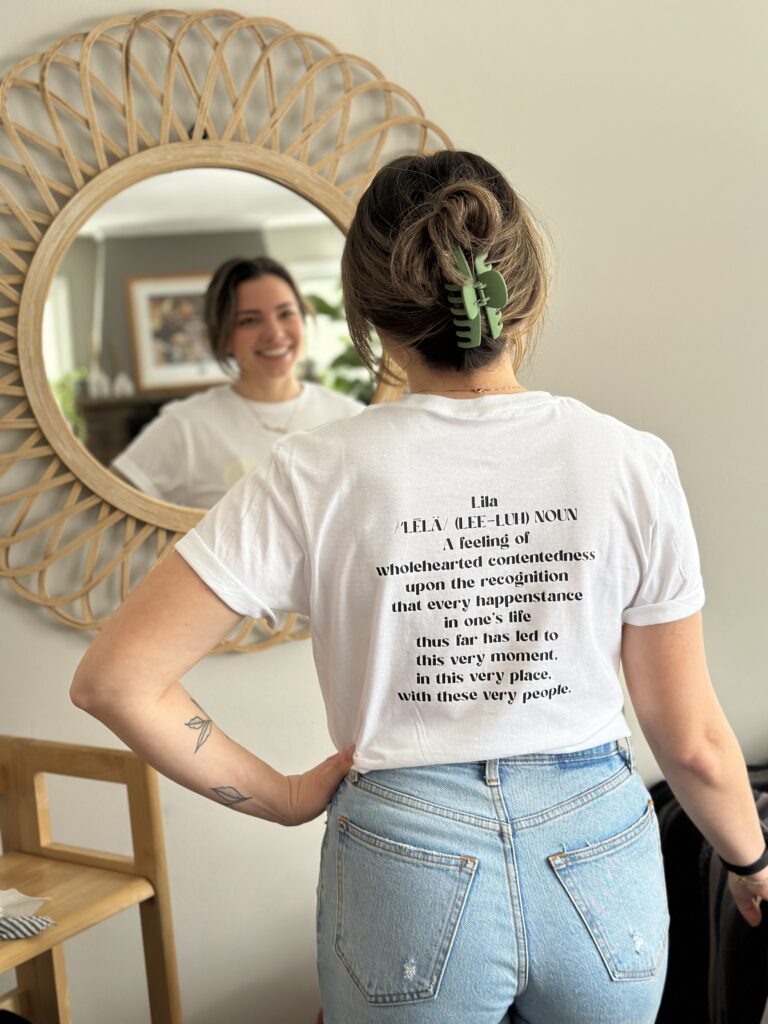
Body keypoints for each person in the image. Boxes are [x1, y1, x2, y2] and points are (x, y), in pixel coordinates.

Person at [71, 151, 766, 1024]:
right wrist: (749, 862)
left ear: (366, 317)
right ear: (526, 291)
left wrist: (285, 796)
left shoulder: (318, 468)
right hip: (598, 850)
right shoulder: (628, 460)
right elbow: (693, 740)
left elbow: (115, 680)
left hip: (403, 850)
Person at [112, 256, 363, 508]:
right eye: (250, 320)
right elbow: (103, 513)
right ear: (224, 336)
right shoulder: (186, 426)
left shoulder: (350, 417)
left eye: (286, 313)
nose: (274, 333)